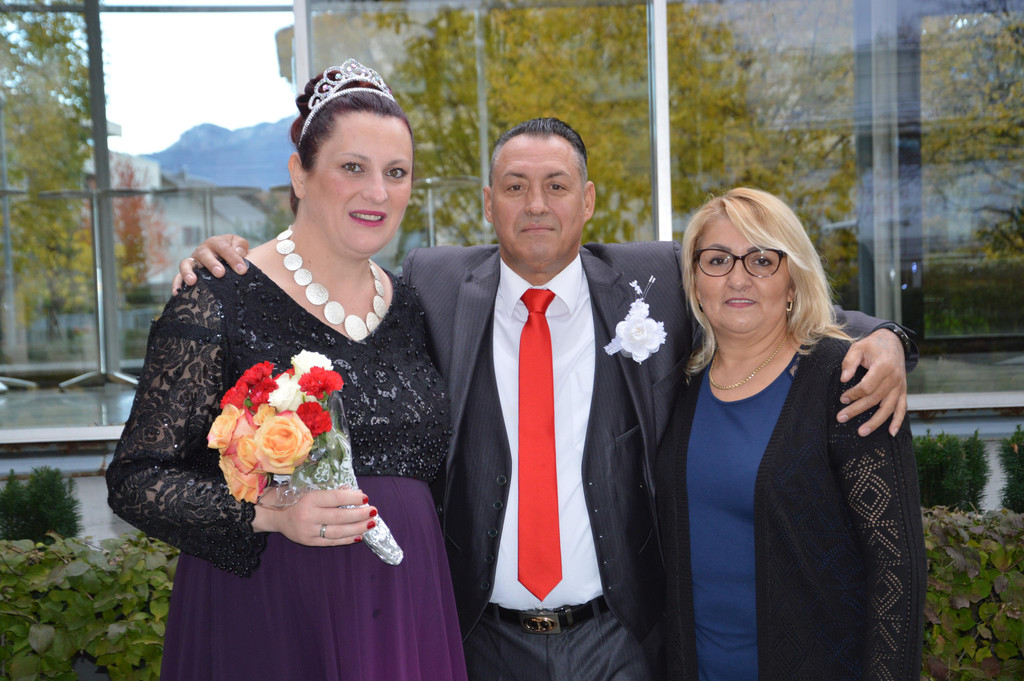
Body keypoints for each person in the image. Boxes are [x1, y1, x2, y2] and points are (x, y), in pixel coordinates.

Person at [178, 118, 914, 680]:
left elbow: (767, 302)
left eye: (557, 186)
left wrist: (886, 337)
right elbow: (332, 310)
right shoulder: (433, 284)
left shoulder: (657, 279)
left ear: (588, 200)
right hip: (482, 638)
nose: (537, 204)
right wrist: (241, 267)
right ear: (488, 202)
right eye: (515, 186)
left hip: (621, 639)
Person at [107, 60, 468, 681]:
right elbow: (137, 479)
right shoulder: (218, 296)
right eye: (352, 167)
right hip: (270, 610)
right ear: (300, 172)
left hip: (405, 606)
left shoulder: (415, 303)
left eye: (396, 172)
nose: (377, 192)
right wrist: (270, 513)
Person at [656, 187, 926, 680]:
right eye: (717, 260)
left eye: (762, 260)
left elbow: (897, 567)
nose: (738, 277)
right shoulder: (677, 382)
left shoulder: (846, 381)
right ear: (694, 282)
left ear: (793, 281)